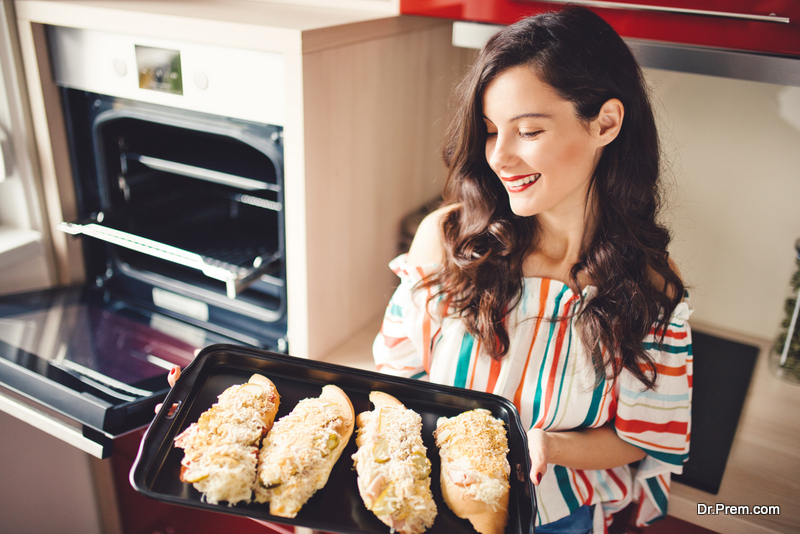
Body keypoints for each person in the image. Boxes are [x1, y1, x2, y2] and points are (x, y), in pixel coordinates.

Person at [373, 6, 692, 533]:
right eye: (491, 130)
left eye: (528, 131)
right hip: (430, 501)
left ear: (606, 123)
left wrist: (549, 443)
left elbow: (639, 439)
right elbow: (393, 378)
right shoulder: (446, 238)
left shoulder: (649, 283)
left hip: (556, 516)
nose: (498, 157)